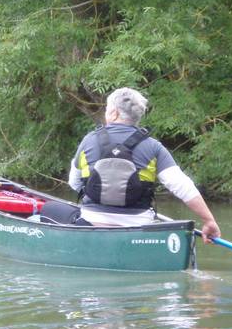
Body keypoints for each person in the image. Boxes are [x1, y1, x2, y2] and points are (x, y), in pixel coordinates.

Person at [57, 88, 220, 241]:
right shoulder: (153, 146)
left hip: (93, 222)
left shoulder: (89, 140)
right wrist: (209, 220)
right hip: (139, 225)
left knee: (50, 210)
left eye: (107, 109)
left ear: (113, 113)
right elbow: (183, 186)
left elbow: (74, 182)